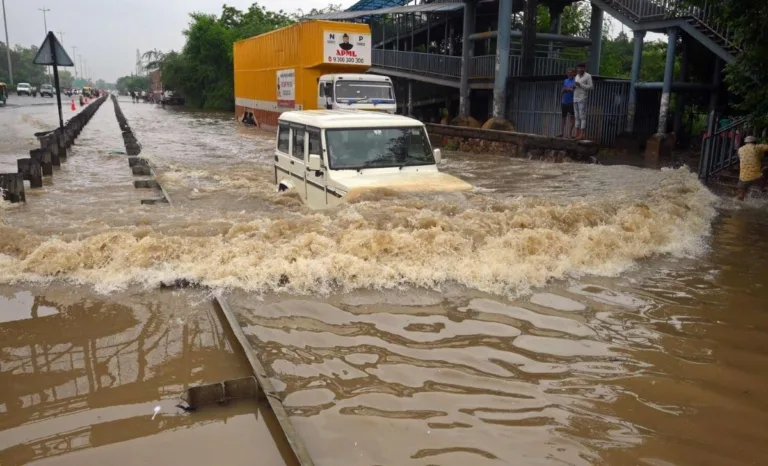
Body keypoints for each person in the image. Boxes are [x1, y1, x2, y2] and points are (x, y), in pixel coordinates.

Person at [737, 136, 768, 201]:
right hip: (757, 176)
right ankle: (762, 188)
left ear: (745, 142)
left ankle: (741, 198)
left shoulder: (740, 149)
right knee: (766, 170)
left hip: (743, 177)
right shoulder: (758, 147)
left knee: (740, 194)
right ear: (755, 142)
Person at [573, 63, 593, 140]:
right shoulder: (576, 76)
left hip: (582, 97)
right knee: (576, 116)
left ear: (585, 68)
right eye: (579, 68)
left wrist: (580, 85)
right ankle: (577, 134)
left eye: (582, 68)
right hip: (575, 97)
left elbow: (591, 87)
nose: (580, 69)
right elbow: (575, 85)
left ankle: (582, 134)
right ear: (577, 68)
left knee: (582, 116)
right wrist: (574, 86)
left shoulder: (588, 76)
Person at [559, 68, 576, 138]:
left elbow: (576, 90)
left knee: (572, 118)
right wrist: (564, 90)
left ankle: (570, 134)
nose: (569, 74)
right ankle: (561, 133)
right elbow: (562, 90)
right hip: (564, 101)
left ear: (573, 74)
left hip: (571, 102)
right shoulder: (565, 81)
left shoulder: (576, 81)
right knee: (563, 118)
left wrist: (569, 89)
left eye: (571, 73)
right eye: (568, 73)